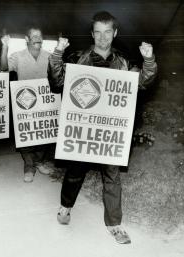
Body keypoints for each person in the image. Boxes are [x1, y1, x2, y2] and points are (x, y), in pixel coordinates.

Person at [48, 11, 157, 244]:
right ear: (92, 34)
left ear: (115, 33)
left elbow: (142, 83)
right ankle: (66, 207)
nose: (103, 38)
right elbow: (57, 81)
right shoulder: (78, 58)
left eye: (108, 32)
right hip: (83, 128)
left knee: (112, 175)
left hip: (110, 132)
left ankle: (115, 224)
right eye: (98, 32)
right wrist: (58, 53)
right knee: (75, 173)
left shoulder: (125, 62)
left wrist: (149, 60)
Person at [0, 27, 55, 183]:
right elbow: (3, 67)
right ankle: (29, 167)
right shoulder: (18, 56)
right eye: (34, 36)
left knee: (45, 136)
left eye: (40, 35)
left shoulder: (49, 56)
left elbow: (58, 74)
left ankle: (38, 162)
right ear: (27, 39)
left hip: (45, 103)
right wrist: (5, 47)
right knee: (26, 137)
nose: (37, 38)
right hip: (25, 102)